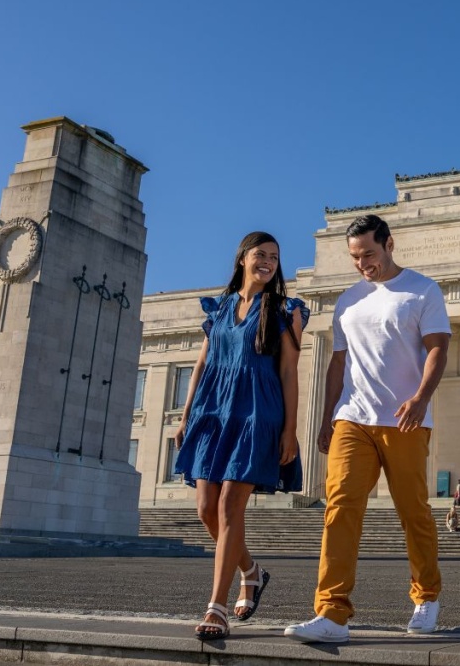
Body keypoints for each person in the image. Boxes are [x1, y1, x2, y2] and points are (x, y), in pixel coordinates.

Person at [285, 215, 451, 643]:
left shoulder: (422, 290)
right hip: (352, 417)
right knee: (339, 507)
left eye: (369, 254)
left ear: (389, 244)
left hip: (404, 419)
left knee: (412, 510)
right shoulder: (348, 300)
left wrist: (420, 398)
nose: (363, 264)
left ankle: (426, 595)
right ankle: (332, 613)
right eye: (355, 257)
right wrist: (327, 418)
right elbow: (338, 363)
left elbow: (438, 350)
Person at [173, 231, 308, 640]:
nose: (267, 262)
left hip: (257, 413)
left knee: (231, 506)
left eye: (274, 257)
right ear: (242, 259)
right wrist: (185, 416)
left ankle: (215, 608)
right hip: (213, 413)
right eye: (260, 254)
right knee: (205, 509)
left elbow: (288, 372)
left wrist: (290, 430)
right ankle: (251, 570)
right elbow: (201, 365)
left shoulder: (286, 310)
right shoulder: (219, 309)